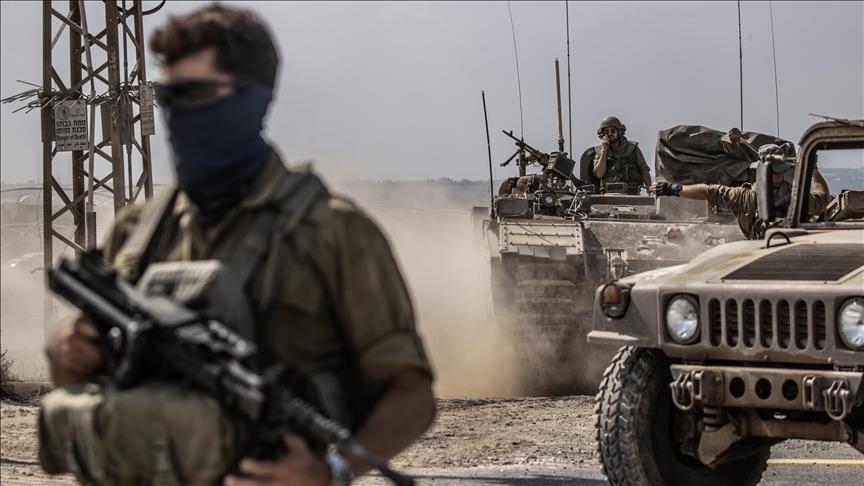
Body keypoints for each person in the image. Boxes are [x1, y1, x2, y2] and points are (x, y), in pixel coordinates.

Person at [39, 4, 435, 485]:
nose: (179, 114)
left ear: (253, 101)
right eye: (167, 97)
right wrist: (68, 356)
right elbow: (95, 381)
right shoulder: (138, 232)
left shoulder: (334, 232)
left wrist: (332, 471)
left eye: (197, 94)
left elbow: (412, 394)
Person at [650, 150, 831, 239]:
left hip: (762, 252)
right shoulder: (796, 199)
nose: (778, 175)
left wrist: (673, 189)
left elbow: (707, 191)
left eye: (779, 172)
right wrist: (814, 170)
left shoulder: (745, 197)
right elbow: (823, 197)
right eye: (776, 171)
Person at [590, 116, 652, 194]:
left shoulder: (632, 148)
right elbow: (599, 174)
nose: (610, 134)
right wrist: (604, 151)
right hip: (608, 194)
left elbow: (644, 170)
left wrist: (650, 190)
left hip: (631, 193)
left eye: (612, 131)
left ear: (619, 132)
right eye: (607, 132)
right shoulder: (600, 151)